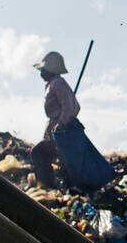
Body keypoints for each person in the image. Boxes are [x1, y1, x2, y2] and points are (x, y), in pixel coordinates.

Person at [32, 50, 116, 194]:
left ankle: (47, 187)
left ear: (50, 70)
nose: (41, 73)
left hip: (64, 133)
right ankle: (61, 187)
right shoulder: (52, 84)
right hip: (58, 131)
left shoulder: (58, 84)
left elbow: (71, 107)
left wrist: (61, 124)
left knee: (39, 153)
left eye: (43, 70)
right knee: (63, 162)